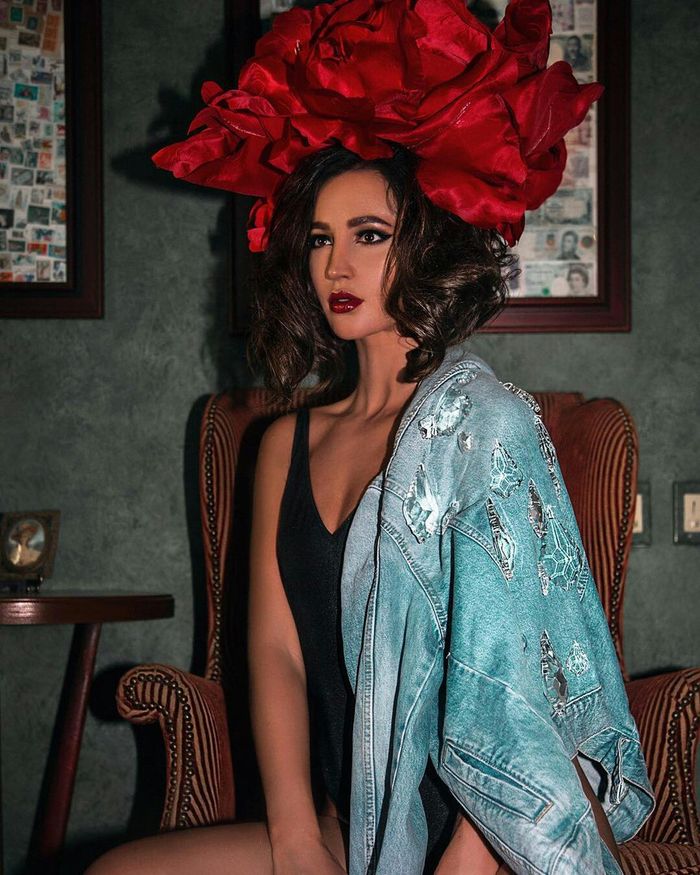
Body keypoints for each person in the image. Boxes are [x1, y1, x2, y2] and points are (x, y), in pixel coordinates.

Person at [88, 1, 653, 873]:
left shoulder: (486, 427)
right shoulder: (282, 444)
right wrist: (296, 838)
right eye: (319, 238)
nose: (335, 265)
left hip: (483, 838)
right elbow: (275, 652)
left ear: (424, 245)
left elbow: (531, 686)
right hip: (340, 823)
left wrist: (471, 855)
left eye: (369, 235)